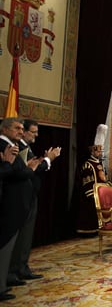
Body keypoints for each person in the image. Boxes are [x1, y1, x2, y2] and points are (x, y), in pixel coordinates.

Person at [8, 119, 60, 285]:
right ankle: (14, 270)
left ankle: (22, 268)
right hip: (20, 196)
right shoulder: (18, 148)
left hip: (29, 195)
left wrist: (43, 160)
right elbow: (32, 170)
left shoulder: (26, 147)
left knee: (26, 235)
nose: (36, 135)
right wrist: (49, 159)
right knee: (21, 235)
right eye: (33, 132)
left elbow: (34, 167)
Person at [0, 118, 40, 301]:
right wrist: (30, 168)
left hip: (20, 199)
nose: (20, 131)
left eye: (22, 128)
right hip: (10, 201)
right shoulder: (4, 146)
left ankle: (8, 278)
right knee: (6, 244)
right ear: (5, 129)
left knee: (13, 243)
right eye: (17, 128)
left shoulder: (13, 147)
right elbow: (16, 173)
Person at [75, 136, 109, 235]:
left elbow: (105, 178)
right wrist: (93, 194)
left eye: (101, 151)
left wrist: (108, 188)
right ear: (92, 152)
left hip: (102, 193)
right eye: (98, 152)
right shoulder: (88, 165)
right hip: (91, 194)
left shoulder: (101, 164)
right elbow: (87, 181)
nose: (100, 153)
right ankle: (89, 231)